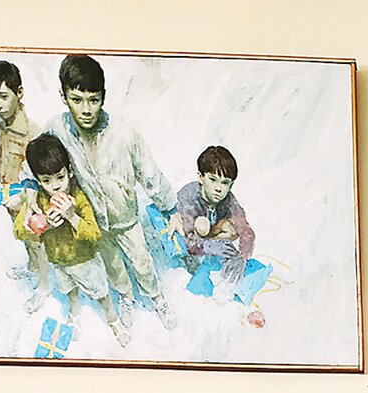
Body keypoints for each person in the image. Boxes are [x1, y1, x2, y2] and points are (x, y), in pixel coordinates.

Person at [45, 53, 179, 329]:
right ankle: (125, 297)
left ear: (103, 97)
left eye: (93, 100)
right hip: (94, 223)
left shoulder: (124, 134)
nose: (85, 109)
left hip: (127, 219)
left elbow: (150, 174)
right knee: (114, 266)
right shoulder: (56, 129)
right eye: (77, 99)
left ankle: (156, 298)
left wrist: (171, 209)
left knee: (142, 262)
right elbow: (37, 163)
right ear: (63, 95)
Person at [15, 134, 128, 346]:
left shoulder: (78, 198)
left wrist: (71, 216)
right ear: (38, 181)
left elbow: (93, 234)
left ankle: (113, 320)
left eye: (60, 177)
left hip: (85, 261)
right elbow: (19, 232)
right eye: (46, 181)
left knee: (101, 294)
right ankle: (74, 315)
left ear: (70, 172)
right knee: (69, 292)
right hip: (59, 262)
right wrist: (39, 224)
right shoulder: (38, 200)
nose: (55, 186)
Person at [0, 59, 50, 311]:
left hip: (29, 200)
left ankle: (44, 286)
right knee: (23, 239)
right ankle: (31, 267)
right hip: (8, 197)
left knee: (37, 242)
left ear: (19, 93)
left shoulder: (33, 133)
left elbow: (41, 176)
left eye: (4, 97)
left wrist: (27, 202)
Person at [176, 145, 256, 300]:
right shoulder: (189, 196)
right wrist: (212, 245)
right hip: (188, 254)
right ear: (200, 177)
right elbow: (187, 240)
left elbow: (246, 231)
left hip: (213, 247)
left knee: (231, 232)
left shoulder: (228, 200)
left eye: (225, 183)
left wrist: (242, 257)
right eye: (213, 180)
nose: (219, 188)